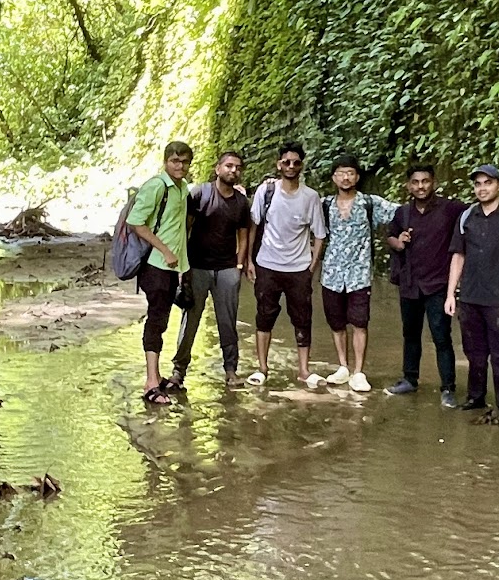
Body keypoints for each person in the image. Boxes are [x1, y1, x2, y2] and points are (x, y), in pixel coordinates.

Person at [445, 163, 499, 423]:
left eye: (488, 183)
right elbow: (458, 256)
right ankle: (476, 398)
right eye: (478, 184)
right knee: (474, 353)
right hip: (470, 298)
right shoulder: (467, 217)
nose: (482, 188)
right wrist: (451, 293)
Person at [384, 165, 465, 408]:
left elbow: (481, 212)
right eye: (416, 182)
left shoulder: (450, 209)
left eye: (425, 181)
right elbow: (390, 235)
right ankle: (410, 379)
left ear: (434, 183)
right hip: (410, 283)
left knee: (441, 337)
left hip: (437, 284)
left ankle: (448, 388)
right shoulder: (403, 213)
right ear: (408, 186)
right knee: (410, 334)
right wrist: (398, 242)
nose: (421, 186)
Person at [248, 141, 327, 389]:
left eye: (295, 162)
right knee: (264, 316)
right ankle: (262, 368)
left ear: (301, 166)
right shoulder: (266, 191)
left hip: (298, 269)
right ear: (278, 164)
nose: (291, 166)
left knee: (303, 319)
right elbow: (253, 225)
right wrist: (249, 260)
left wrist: (312, 266)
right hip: (267, 265)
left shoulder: (310, 197)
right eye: (286, 162)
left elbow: (319, 235)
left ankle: (304, 370)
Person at [169, 151, 251, 388]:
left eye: (237, 167)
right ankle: (178, 371)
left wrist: (239, 264)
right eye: (228, 166)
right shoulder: (199, 193)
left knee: (228, 321)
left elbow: (243, 235)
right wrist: (183, 266)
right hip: (197, 267)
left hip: (226, 269)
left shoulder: (241, 203)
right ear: (217, 169)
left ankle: (231, 371)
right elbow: (185, 229)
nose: (232, 170)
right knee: (190, 321)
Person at [318, 154, 396, 392]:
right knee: (336, 323)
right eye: (341, 172)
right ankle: (342, 366)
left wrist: (401, 236)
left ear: (357, 177)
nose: (346, 177)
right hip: (331, 273)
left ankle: (359, 372)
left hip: (359, 274)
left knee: (360, 322)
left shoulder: (370, 203)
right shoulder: (324, 205)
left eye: (350, 172)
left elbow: (403, 214)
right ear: (334, 177)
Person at [128, 140, 193, 406]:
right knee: (156, 320)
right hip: (155, 265)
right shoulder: (156, 186)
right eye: (175, 161)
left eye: (185, 161)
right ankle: (150, 383)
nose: (180, 166)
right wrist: (165, 251)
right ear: (166, 161)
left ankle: (156, 375)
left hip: (172, 267)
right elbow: (136, 223)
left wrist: (181, 267)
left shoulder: (183, 188)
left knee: (162, 320)